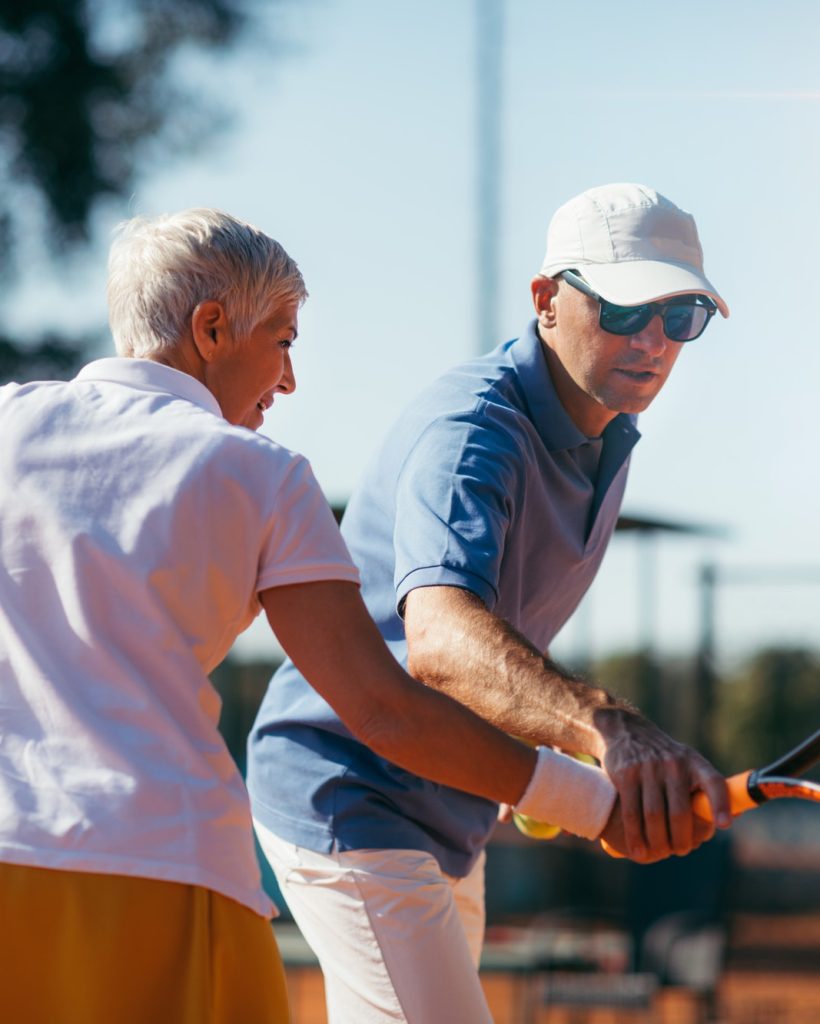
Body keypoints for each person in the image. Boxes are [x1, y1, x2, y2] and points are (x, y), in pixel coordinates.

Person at [0, 208, 645, 1024]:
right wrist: (593, 802)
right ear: (210, 328)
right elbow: (383, 709)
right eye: (283, 339)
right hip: (167, 865)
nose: (289, 379)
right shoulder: (262, 473)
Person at [247, 182, 733, 1024]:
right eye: (623, 310)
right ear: (546, 299)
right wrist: (606, 726)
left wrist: (535, 735)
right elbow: (439, 638)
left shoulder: (605, 432)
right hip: (348, 790)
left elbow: (494, 645)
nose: (653, 341)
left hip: (451, 801)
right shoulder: (474, 430)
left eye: (680, 316)